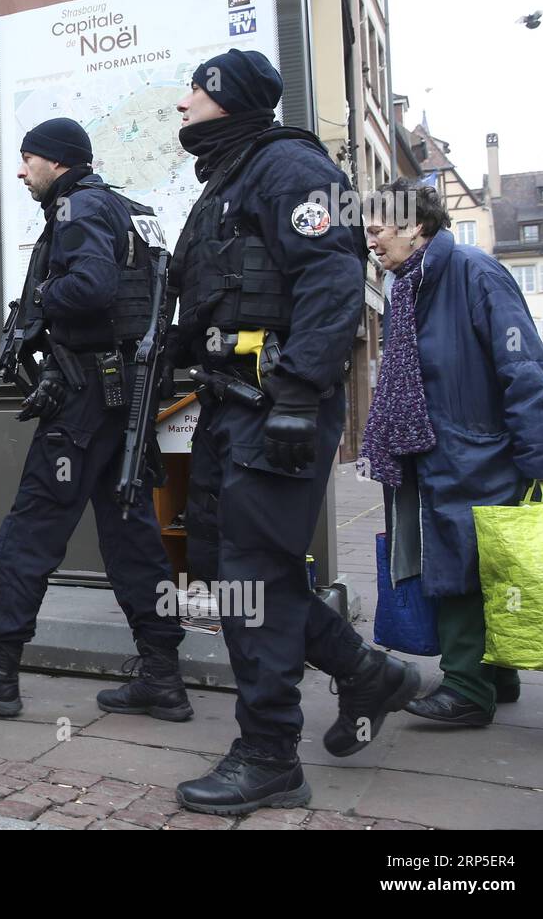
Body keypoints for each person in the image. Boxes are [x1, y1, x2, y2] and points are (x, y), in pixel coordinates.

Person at [168, 49, 420, 815]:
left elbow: (332, 280)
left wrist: (299, 394)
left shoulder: (291, 170)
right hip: (226, 407)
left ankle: (271, 752)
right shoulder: (226, 184)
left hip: (274, 407)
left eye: (196, 92)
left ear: (230, 100)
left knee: (256, 575)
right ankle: (367, 672)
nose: (182, 105)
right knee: (224, 563)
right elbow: (214, 301)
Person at [0, 118, 191, 722]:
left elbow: (90, 286)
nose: (21, 170)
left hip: (88, 395)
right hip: (122, 393)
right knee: (131, 533)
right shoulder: (130, 209)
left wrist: (35, 304)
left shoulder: (77, 210)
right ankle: (162, 674)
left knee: (30, 530)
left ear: (56, 162)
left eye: (28, 158)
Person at [362, 180, 543, 725]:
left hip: (476, 450)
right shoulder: (413, 283)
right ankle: (498, 674)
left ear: (414, 227)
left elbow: (524, 368)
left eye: (378, 228)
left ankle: (467, 690)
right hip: (444, 448)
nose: (371, 241)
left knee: (461, 564)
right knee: (475, 561)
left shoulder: (473, 272)